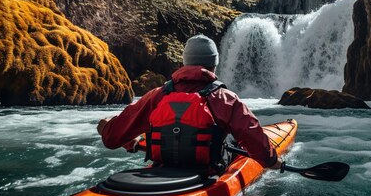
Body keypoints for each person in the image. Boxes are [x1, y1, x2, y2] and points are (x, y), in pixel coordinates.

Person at [97, 34, 282, 174]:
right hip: (208, 173)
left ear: (184, 63)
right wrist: (274, 162)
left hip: (163, 171)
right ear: (214, 65)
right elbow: (254, 138)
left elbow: (111, 138)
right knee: (233, 139)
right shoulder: (226, 98)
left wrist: (107, 126)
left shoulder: (157, 95)